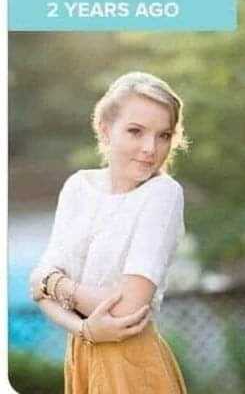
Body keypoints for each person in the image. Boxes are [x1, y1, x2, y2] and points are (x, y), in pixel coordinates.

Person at [30, 72, 189, 393]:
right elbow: (36, 288)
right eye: (136, 131)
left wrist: (55, 284)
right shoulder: (77, 186)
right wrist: (86, 328)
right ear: (105, 129)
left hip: (130, 361)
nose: (150, 148)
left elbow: (129, 309)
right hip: (80, 354)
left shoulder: (163, 193)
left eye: (163, 135)